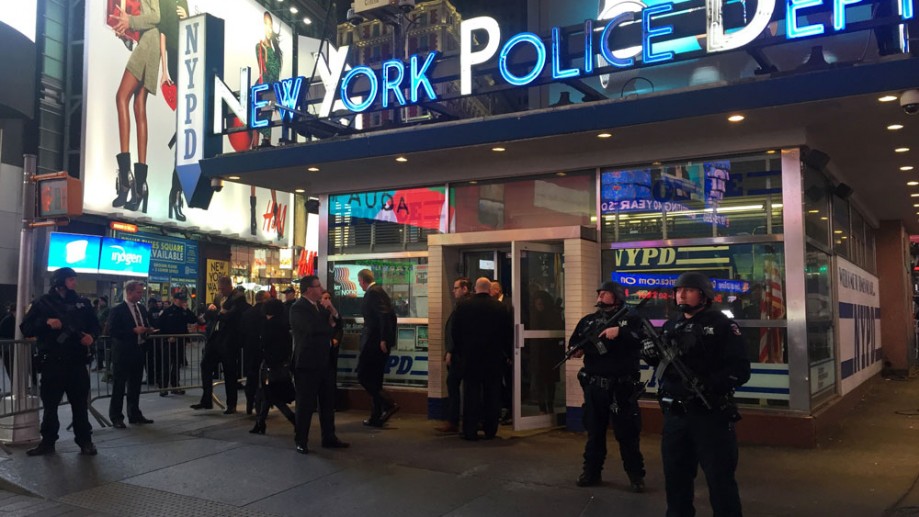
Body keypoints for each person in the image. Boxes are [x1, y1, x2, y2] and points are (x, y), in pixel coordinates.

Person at [642, 272, 751, 517]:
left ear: (704, 295)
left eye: (689, 290)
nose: (681, 294)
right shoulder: (673, 324)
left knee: (720, 481)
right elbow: (666, 366)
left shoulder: (722, 324)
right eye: (678, 290)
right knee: (676, 480)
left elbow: (741, 370)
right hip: (676, 417)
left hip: (709, 416)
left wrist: (709, 384)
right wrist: (651, 355)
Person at [569, 281, 646, 492]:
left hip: (622, 387)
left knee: (627, 434)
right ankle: (591, 472)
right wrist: (577, 349)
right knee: (594, 433)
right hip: (595, 386)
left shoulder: (631, 319)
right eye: (600, 293)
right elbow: (574, 343)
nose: (601, 297)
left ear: (617, 297)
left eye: (606, 294)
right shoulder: (588, 321)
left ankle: (635, 475)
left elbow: (643, 340)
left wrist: (620, 332)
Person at [20, 267, 100, 456]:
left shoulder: (82, 303)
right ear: (60, 281)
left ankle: (85, 441)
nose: (74, 283)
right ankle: (47, 442)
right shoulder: (42, 303)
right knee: (50, 406)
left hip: (76, 362)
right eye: (71, 279)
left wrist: (92, 337)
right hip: (52, 362)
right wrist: (46, 323)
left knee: (80, 405)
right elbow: (26, 327)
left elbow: (95, 326)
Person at [109, 0, 161, 212]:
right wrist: (126, 32)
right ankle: (139, 186)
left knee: (122, 97)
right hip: (149, 43)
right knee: (139, 106)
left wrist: (129, 20)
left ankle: (125, 179)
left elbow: (156, 17)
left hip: (150, 42)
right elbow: (146, 22)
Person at [289, 275, 349, 454]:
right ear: (309, 289)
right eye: (317, 286)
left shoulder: (321, 308)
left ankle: (329, 437)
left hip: (325, 362)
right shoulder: (298, 308)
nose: (321, 289)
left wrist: (332, 310)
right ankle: (301, 439)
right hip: (307, 364)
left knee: (327, 403)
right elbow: (312, 330)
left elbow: (338, 323)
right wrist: (329, 329)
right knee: (306, 404)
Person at [451, 277, 513, 441]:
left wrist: (460, 351)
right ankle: (490, 429)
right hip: (493, 358)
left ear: (476, 288)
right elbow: (507, 334)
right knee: (492, 393)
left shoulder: (464, 306)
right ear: (488, 288)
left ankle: (470, 430)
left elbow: (455, 332)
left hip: (470, 358)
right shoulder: (500, 308)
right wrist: (506, 354)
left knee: (471, 393)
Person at [192, 277, 250, 414]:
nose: (221, 291)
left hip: (229, 339)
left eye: (223, 289)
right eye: (219, 288)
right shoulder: (219, 297)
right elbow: (216, 313)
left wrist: (216, 313)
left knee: (230, 371)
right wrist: (211, 313)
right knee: (205, 365)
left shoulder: (238, 297)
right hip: (216, 337)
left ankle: (232, 404)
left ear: (229, 286)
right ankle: (206, 399)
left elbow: (230, 317)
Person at [107, 280, 156, 429]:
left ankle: (134, 413)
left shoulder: (141, 308)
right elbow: (112, 331)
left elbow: (145, 323)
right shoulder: (118, 310)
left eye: (141, 292)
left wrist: (148, 330)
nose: (140, 295)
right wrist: (132, 331)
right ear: (129, 292)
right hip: (123, 352)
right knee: (119, 385)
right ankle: (116, 416)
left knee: (135, 385)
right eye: (138, 292)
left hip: (138, 349)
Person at [356, 269, 399, 427]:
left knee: (363, 376)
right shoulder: (377, 292)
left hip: (373, 343)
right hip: (376, 341)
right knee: (375, 379)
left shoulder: (374, 293)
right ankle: (376, 416)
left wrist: (383, 339)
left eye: (359, 281)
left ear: (362, 280)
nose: (359, 283)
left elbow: (385, 316)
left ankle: (389, 404)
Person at [250, 298, 296, 435]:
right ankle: (260, 423)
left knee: (271, 394)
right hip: (282, 364)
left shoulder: (268, 325)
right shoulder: (283, 325)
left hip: (270, 364)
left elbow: (263, 345)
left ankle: (293, 418)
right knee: (268, 394)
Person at [435, 277, 471, 434]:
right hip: (461, 354)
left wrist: (450, 350)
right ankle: (457, 420)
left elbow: (457, 332)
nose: (453, 290)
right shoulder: (461, 305)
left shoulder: (464, 306)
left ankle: (453, 421)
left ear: (465, 289)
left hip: (460, 355)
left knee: (453, 385)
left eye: (456, 288)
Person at [155, 289, 200, 396]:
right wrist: (167, 338)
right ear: (175, 300)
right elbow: (160, 326)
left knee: (176, 365)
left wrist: (187, 310)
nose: (182, 302)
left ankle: (175, 386)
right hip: (168, 342)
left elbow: (193, 319)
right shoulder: (167, 312)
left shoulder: (184, 311)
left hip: (180, 342)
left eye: (183, 300)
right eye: (180, 300)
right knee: (166, 365)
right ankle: (163, 387)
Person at [490, 280, 514, 425]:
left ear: (497, 290)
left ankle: (510, 411)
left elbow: (510, 329)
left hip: (507, 351)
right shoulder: (492, 306)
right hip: (496, 352)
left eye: (491, 290)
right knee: (498, 382)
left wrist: (510, 353)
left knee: (509, 381)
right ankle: (500, 409)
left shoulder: (509, 304)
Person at [242, 291, 269, 414]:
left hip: (249, 349)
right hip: (262, 349)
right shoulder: (265, 314)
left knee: (251, 377)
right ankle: (260, 405)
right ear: (264, 299)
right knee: (262, 379)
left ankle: (249, 403)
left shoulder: (247, 313)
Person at [322, 290, 343, 401]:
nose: (328, 301)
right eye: (325, 298)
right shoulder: (317, 312)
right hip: (322, 348)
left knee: (331, 374)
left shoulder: (333, 311)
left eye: (329, 298)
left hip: (332, 348)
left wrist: (336, 339)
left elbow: (339, 326)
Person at [94, 296, 110, 371]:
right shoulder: (99, 310)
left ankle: (107, 367)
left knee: (104, 349)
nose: (99, 302)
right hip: (98, 331)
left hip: (104, 331)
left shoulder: (107, 310)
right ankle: (99, 364)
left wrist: (105, 330)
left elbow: (107, 321)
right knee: (98, 349)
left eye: (100, 301)